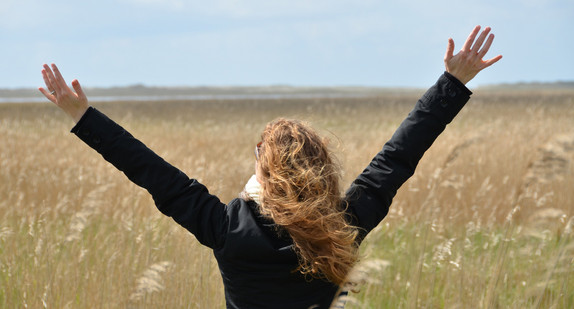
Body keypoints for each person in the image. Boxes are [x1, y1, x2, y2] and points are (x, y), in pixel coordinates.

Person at [39, 25, 501, 309]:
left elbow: (151, 172)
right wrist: (452, 83)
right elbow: (398, 157)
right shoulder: (345, 222)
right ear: (318, 167)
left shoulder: (227, 227)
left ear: (263, 164)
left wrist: (82, 116)